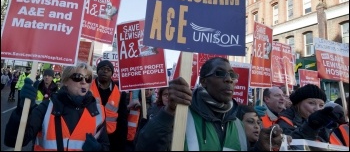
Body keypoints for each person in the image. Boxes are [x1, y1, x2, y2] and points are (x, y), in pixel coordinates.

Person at [135, 57, 283, 151]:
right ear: (204, 81)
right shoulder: (181, 115)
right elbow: (145, 146)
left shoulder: (237, 123)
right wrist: (168, 113)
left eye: (232, 75)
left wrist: (260, 148)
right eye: (220, 73)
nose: (229, 79)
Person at [4, 62, 110, 151]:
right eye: (78, 77)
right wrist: (22, 110)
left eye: (88, 78)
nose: (83, 82)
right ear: (65, 81)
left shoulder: (97, 111)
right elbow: (12, 140)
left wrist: (99, 149)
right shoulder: (46, 108)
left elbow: (106, 146)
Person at [277, 84, 343, 142]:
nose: (317, 109)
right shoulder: (284, 122)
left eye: (321, 105)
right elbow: (292, 144)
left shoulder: (324, 123)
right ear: (298, 104)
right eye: (311, 103)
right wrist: (311, 127)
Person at [90, 60, 126, 151]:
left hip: (112, 136)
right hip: (91, 134)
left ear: (112, 73)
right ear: (97, 71)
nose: (105, 71)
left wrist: (121, 142)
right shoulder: (88, 87)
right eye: (102, 68)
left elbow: (122, 117)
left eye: (108, 69)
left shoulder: (120, 92)